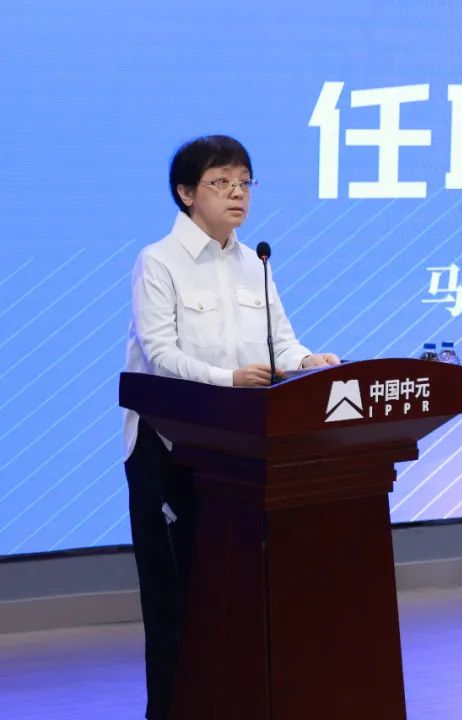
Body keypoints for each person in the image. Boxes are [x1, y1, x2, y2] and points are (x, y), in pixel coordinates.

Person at [122, 135, 339, 719]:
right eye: (221, 182)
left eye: (244, 182)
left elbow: (280, 343)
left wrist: (308, 361)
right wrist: (228, 379)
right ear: (186, 193)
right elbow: (160, 354)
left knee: (232, 592)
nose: (237, 193)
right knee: (175, 599)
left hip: (236, 451)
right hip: (167, 446)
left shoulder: (255, 262)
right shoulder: (158, 261)